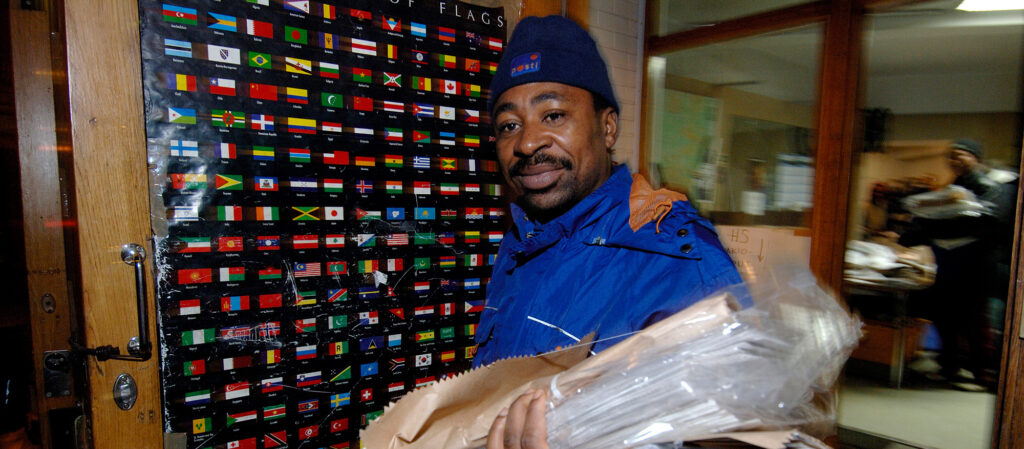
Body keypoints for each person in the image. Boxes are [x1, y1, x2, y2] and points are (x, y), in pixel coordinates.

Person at [475, 15, 744, 448]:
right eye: (509, 125)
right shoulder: (521, 241)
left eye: (554, 114)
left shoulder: (675, 255)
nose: (527, 143)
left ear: (607, 127)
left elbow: (733, 435)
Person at [901, 138, 1017, 391]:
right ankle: (949, 367)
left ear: (976, 158)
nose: (954, 161)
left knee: (976, 320)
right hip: (948, 265)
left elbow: (989, 221)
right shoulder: (953, 189)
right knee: (945, 317)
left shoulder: (995, 187)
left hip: (978, 268)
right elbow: (926, 224)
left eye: (961, 155)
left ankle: (982, 374)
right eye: (951, 157)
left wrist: (944, 224)